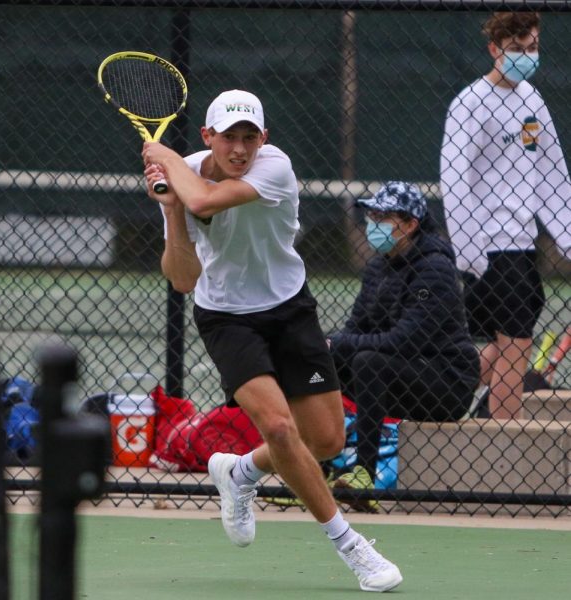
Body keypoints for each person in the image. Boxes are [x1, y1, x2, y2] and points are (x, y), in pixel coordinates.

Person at [141, 90, 402, 592]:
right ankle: (354, 548)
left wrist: (168, 162)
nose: (239, 149)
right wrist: (172, 212)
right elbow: (182, 278)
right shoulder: (182, 175)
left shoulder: (273, 169)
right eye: (229, 138)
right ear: (208, 138)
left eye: (249, 138)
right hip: (226, 318)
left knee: (326, 440)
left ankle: (239, 473)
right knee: (280, 429)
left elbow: (204, 199)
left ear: (264, 139)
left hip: (289, 308)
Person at [440, 12, 571, 420]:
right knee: (516, 345)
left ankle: (434, 399)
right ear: (494, 49)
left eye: (532, 48)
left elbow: (552, 173)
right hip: (488, 249)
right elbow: (454, 179)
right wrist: (470, 254)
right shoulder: (470, 104)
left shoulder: (533, 100)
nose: (527, 56)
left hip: (522, 246)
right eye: (517, 49)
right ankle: (502, 445)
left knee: (507, 344)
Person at [328, 182, 480, 512]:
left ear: (410, 225)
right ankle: (317, 470)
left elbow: (404, 341)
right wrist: (329, 347)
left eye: (383, 216)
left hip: (445, 383)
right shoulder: (377, 267)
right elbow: (356, 329)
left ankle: (363, 477)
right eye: (371, 214)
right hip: (399, 375)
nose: (372, 222)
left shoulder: (435, 269)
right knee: (318, 363)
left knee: (369, 360)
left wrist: (342, 342)